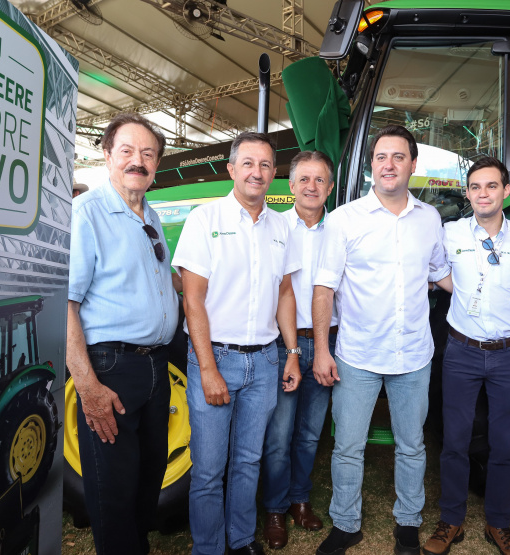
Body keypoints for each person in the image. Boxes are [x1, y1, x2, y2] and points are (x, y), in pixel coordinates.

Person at [312, 125, 450, 555]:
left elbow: (443, 275)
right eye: (380, 157)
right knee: (348, 446)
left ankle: (408, 522)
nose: (388, 165)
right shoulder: (344, 219)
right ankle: (346, 523)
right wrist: (321, 350)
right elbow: (324, 288)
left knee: (412, 446)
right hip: (358, 355)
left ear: (412, 164)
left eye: (398, 157)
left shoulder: (429, 219)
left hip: (412, 356)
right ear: (372, 166)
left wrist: (500, 288)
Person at [173, 132, 303, 555]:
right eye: (248, 163)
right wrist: (207, 369)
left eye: (266, 165)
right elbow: (192, 299)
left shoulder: (282, 226)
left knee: (248, 462)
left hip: (265, 361)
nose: (257, 172)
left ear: (273, 174)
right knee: (209, 469)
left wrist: (292, 354)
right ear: (231, 169)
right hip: (217, 358)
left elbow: (285, 293)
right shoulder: (204, 220)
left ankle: (242, 541)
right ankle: (209, 548)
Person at [67, 113, 180, 555]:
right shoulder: (87, 214)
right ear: (107, 154)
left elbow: (157, 280)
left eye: (148, 154)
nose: (139, 161)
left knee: (147, 476)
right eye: (128, 151)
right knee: (112, 486)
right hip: (111, 368)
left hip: (154, 365)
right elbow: (67, 305)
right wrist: (87, 384)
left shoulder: (149, 213)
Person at [423, 157, 510, 555]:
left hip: (509, 356)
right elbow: (436, 271)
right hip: (462, 352)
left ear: (506, 191)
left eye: (491, 186)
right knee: (454, 441)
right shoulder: (450, 231)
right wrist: (470, 297)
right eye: (475, 187)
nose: (483, 193)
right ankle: (451, 519)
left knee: (504, 444)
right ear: (468, 193)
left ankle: (499, 523)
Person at [261, 150, 338, 550]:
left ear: (329, 187)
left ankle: (299, 500)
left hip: (326, 343)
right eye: (304, 179)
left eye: (320, 180)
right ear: (290, 186)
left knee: (310, 433)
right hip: (283, 344)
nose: (311, 187)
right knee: (279, 433)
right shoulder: (274, 227)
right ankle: (273, 508)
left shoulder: (341, 229)